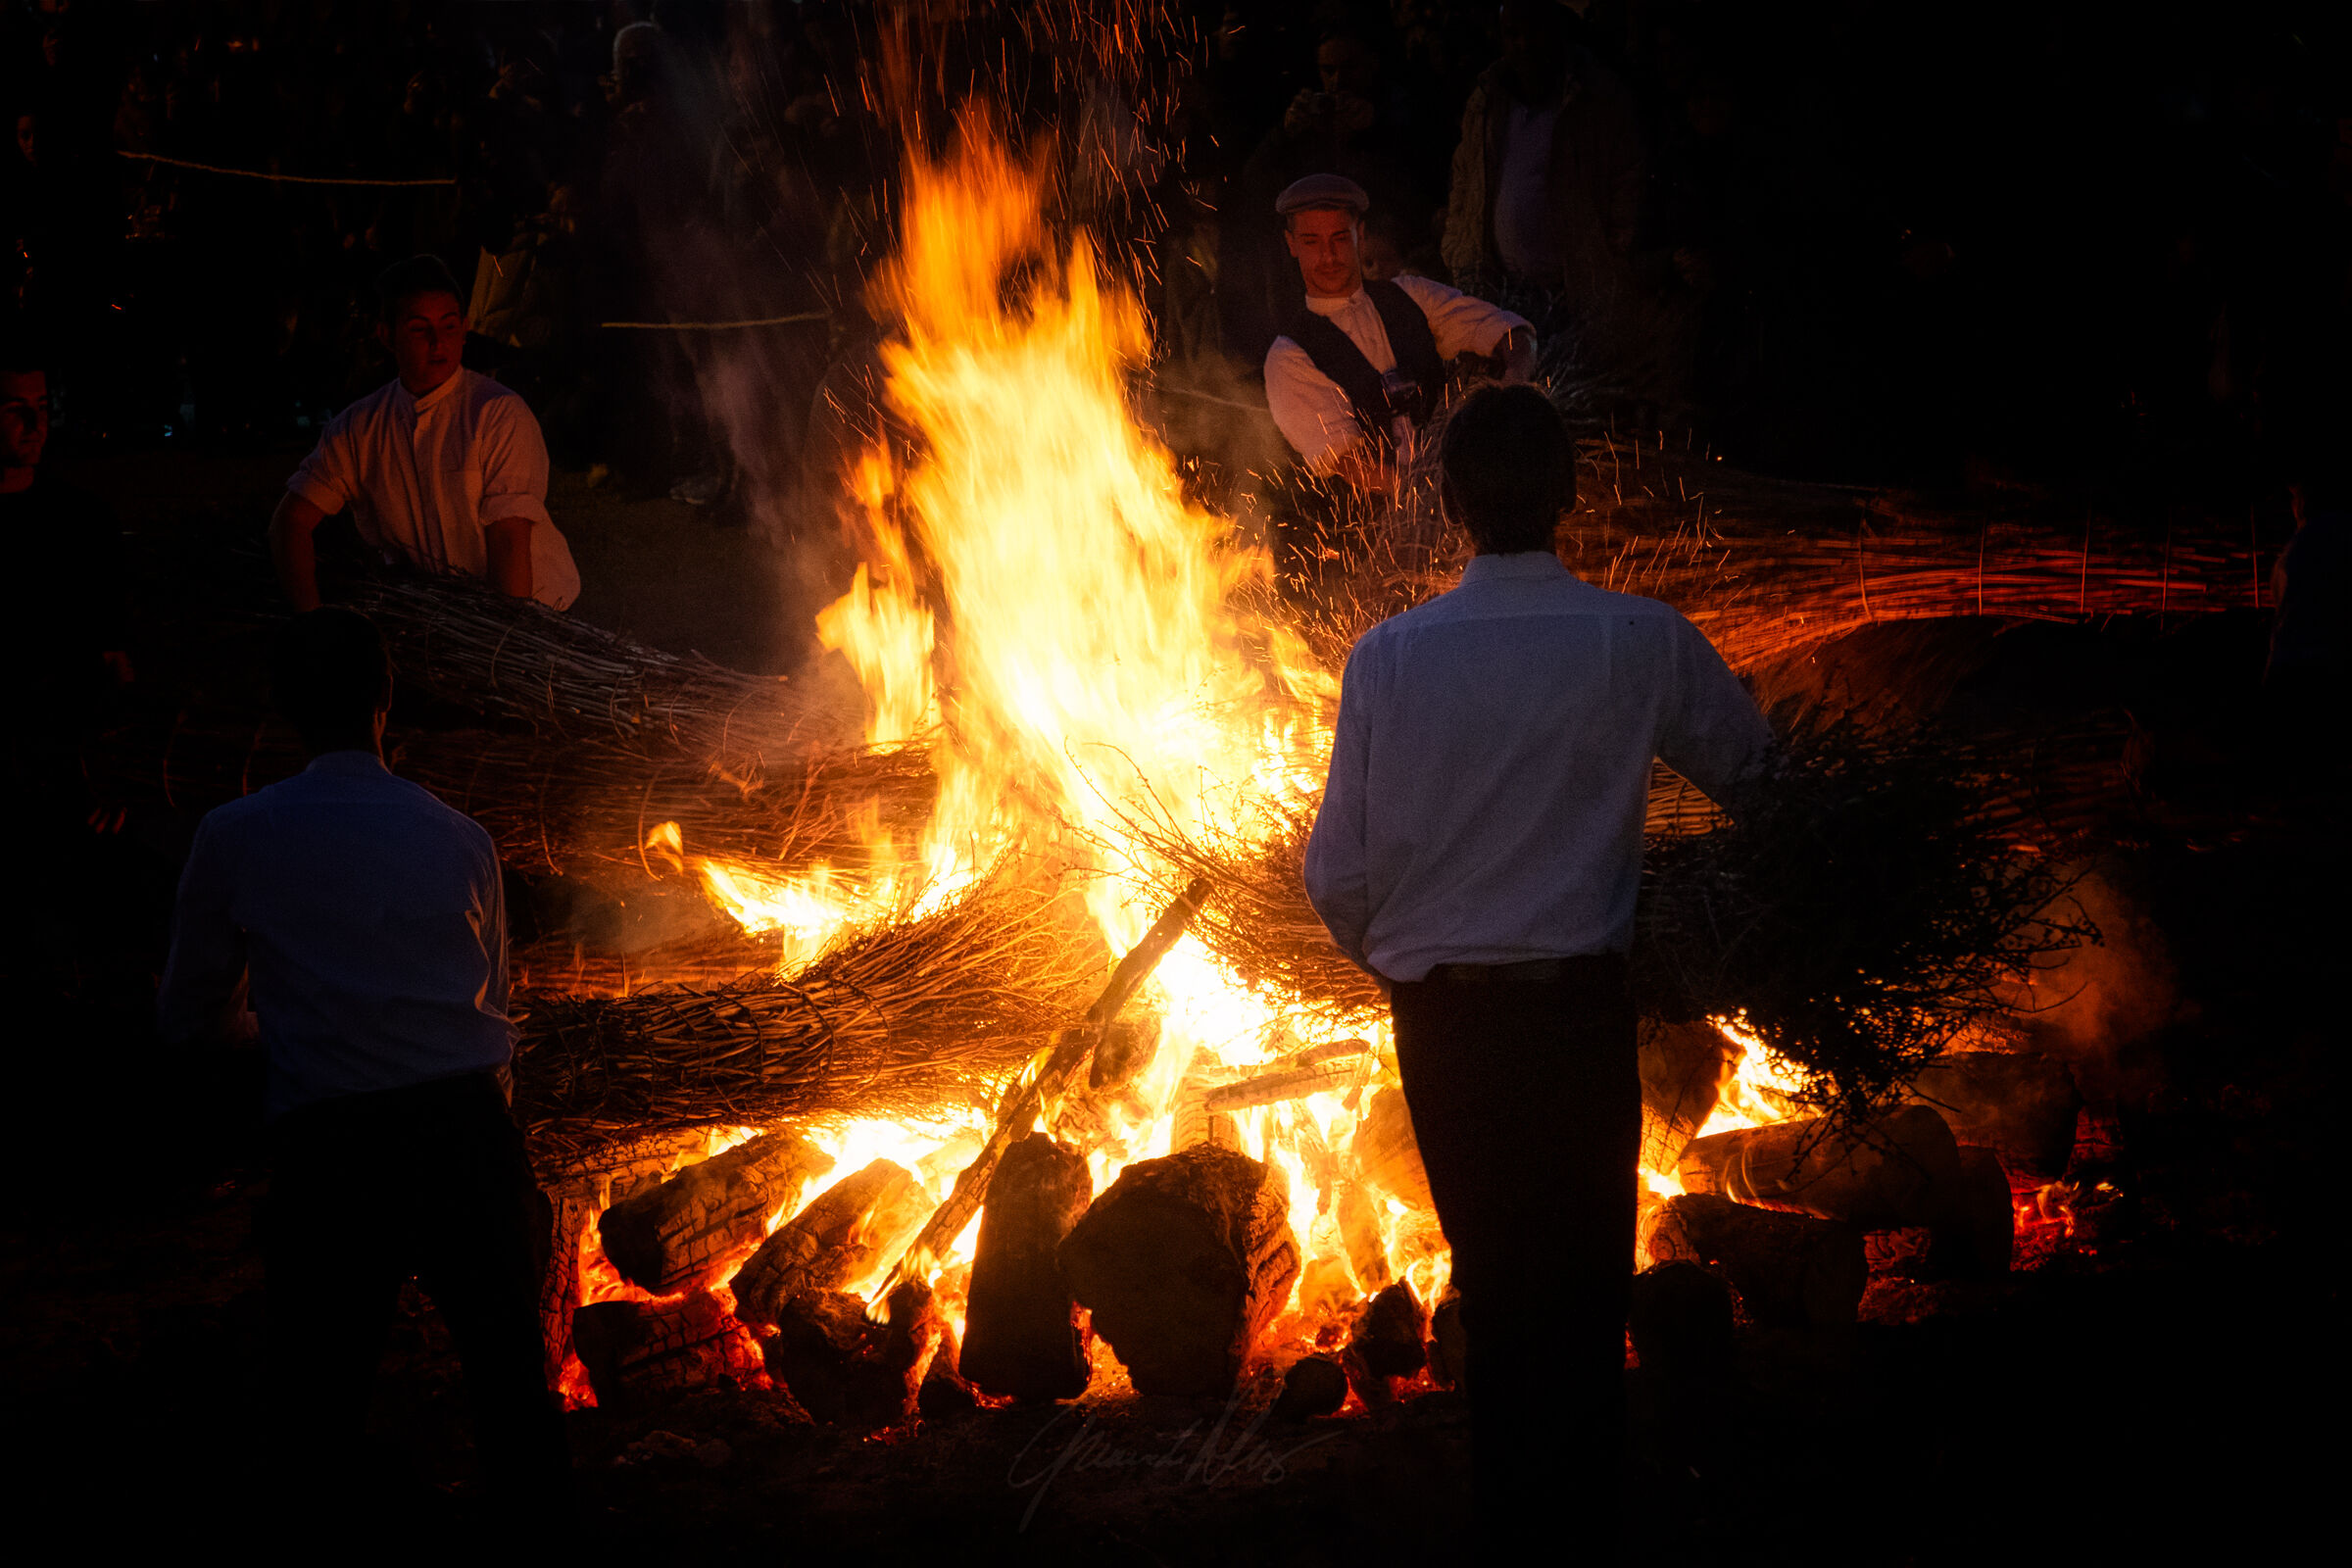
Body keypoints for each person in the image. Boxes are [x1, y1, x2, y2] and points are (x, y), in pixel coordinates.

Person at [1301, 385, 1771, 1553]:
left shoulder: (1388, 659)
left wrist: (1409, 963)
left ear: (1450, 503)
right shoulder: (1632, 636)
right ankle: (1585, 1527)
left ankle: (1513, 1527)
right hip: (1573, 1019)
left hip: (1446, 1030)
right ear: (1569, 497)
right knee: (1580, 1300)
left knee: (1502, 1297)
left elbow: (1336, 875)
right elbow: (1771, 782)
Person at [157, 609, 570, 1527]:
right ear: (387, 702)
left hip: (338, 1145)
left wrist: (288, 1033)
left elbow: (189, 1017)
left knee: (321, 1397)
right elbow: (492, 1006)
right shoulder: (462, 836)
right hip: (470, 1134)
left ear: (289, 710)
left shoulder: (235, 834)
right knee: (511, 1392)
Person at [271, 256, 580, 612]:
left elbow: (510, 540)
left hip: (533, 611)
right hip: (440, 618)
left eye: (449, 327)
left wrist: (509, 640)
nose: (438, 342)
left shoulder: (497, 414)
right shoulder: (359, 428)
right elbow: (291, 522)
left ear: (465, 328)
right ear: (387, 335)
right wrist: (311, 621)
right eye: (420, 329)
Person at [1263, 172, 1537, 489]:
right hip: (1377, 530)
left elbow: (1512, 332)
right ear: (1291, 244)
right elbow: (1354, 467)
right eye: (1312, 242)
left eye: (1339, 238)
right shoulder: (1289, 357)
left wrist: (1515, 384)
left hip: (1462, 493)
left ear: (1360, 235)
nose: (1328, 256)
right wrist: (1437, 495)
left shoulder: (1412, 296)